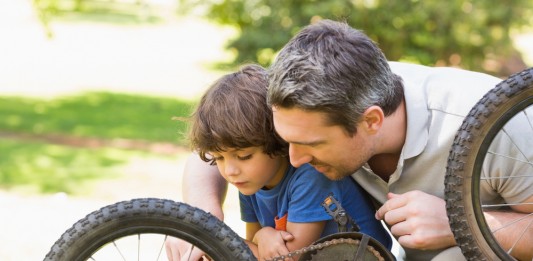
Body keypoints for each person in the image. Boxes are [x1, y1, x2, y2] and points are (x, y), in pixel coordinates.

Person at [180, 20, 533, 260]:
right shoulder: (302, 100)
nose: (295, 159)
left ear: (371, 122)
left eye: (312, 146)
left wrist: (461, 222)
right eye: (286, 141)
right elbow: (221, 139)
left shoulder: (496, 124)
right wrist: (200, 219)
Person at [166, 64, 392, 261]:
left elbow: (289, 257)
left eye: (244, 156)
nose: (230, 171)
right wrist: (259, 237)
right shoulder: (250, 180)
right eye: (219, 158)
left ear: (277, 140)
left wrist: (218, 238)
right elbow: (256, 248)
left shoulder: (310, 177)